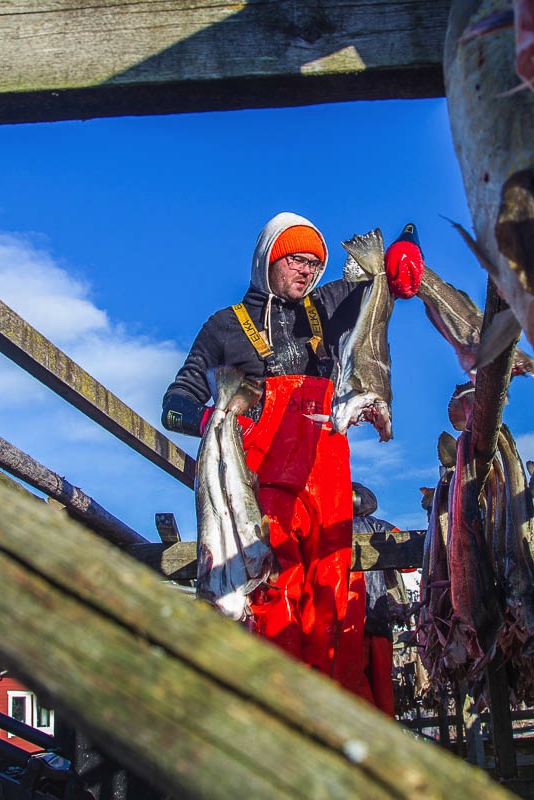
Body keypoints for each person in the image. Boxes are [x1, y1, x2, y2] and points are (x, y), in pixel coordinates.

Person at [161, 212, 421, 699]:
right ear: (268, 260)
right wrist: (215, 423)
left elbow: (384, 276)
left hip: (329, 496)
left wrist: (408, 249)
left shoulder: (330, 306)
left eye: (313, 263)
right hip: (260, 499)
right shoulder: (223, 328)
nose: (306, 271)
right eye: (295, 260)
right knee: (270, 603)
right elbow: (174, 403)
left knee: (335, 607)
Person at [344, 482, 411, 717]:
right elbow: (410, 562)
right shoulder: (381, 527)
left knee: (352, 687)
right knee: (383, 692)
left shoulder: (332, 528)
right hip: (379, 618)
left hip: (344, 622)